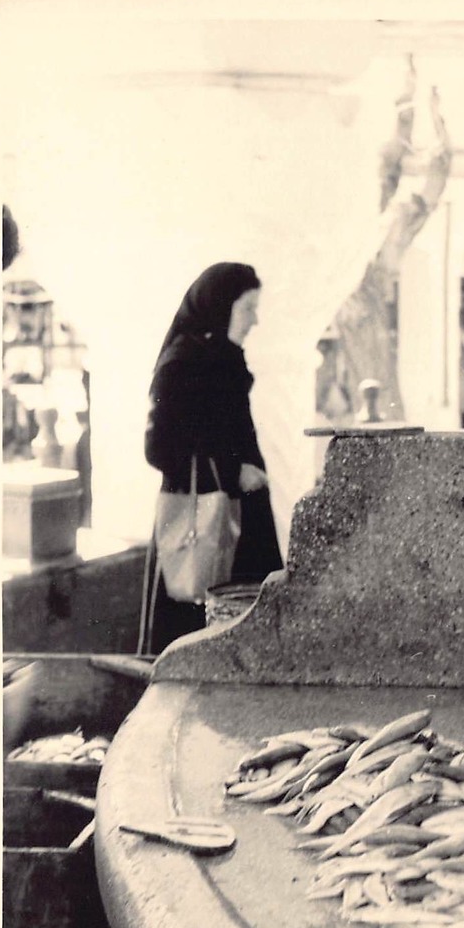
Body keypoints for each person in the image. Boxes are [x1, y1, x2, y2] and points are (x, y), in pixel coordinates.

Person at [138, 262, 283, 655]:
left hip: (238, 516)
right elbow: (159, 449)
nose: (254, 320)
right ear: (221, 307)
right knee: (196, 631)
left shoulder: (223, 360)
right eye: (247, 308)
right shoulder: (183, 363)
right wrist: (233, 472)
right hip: (201, 516)